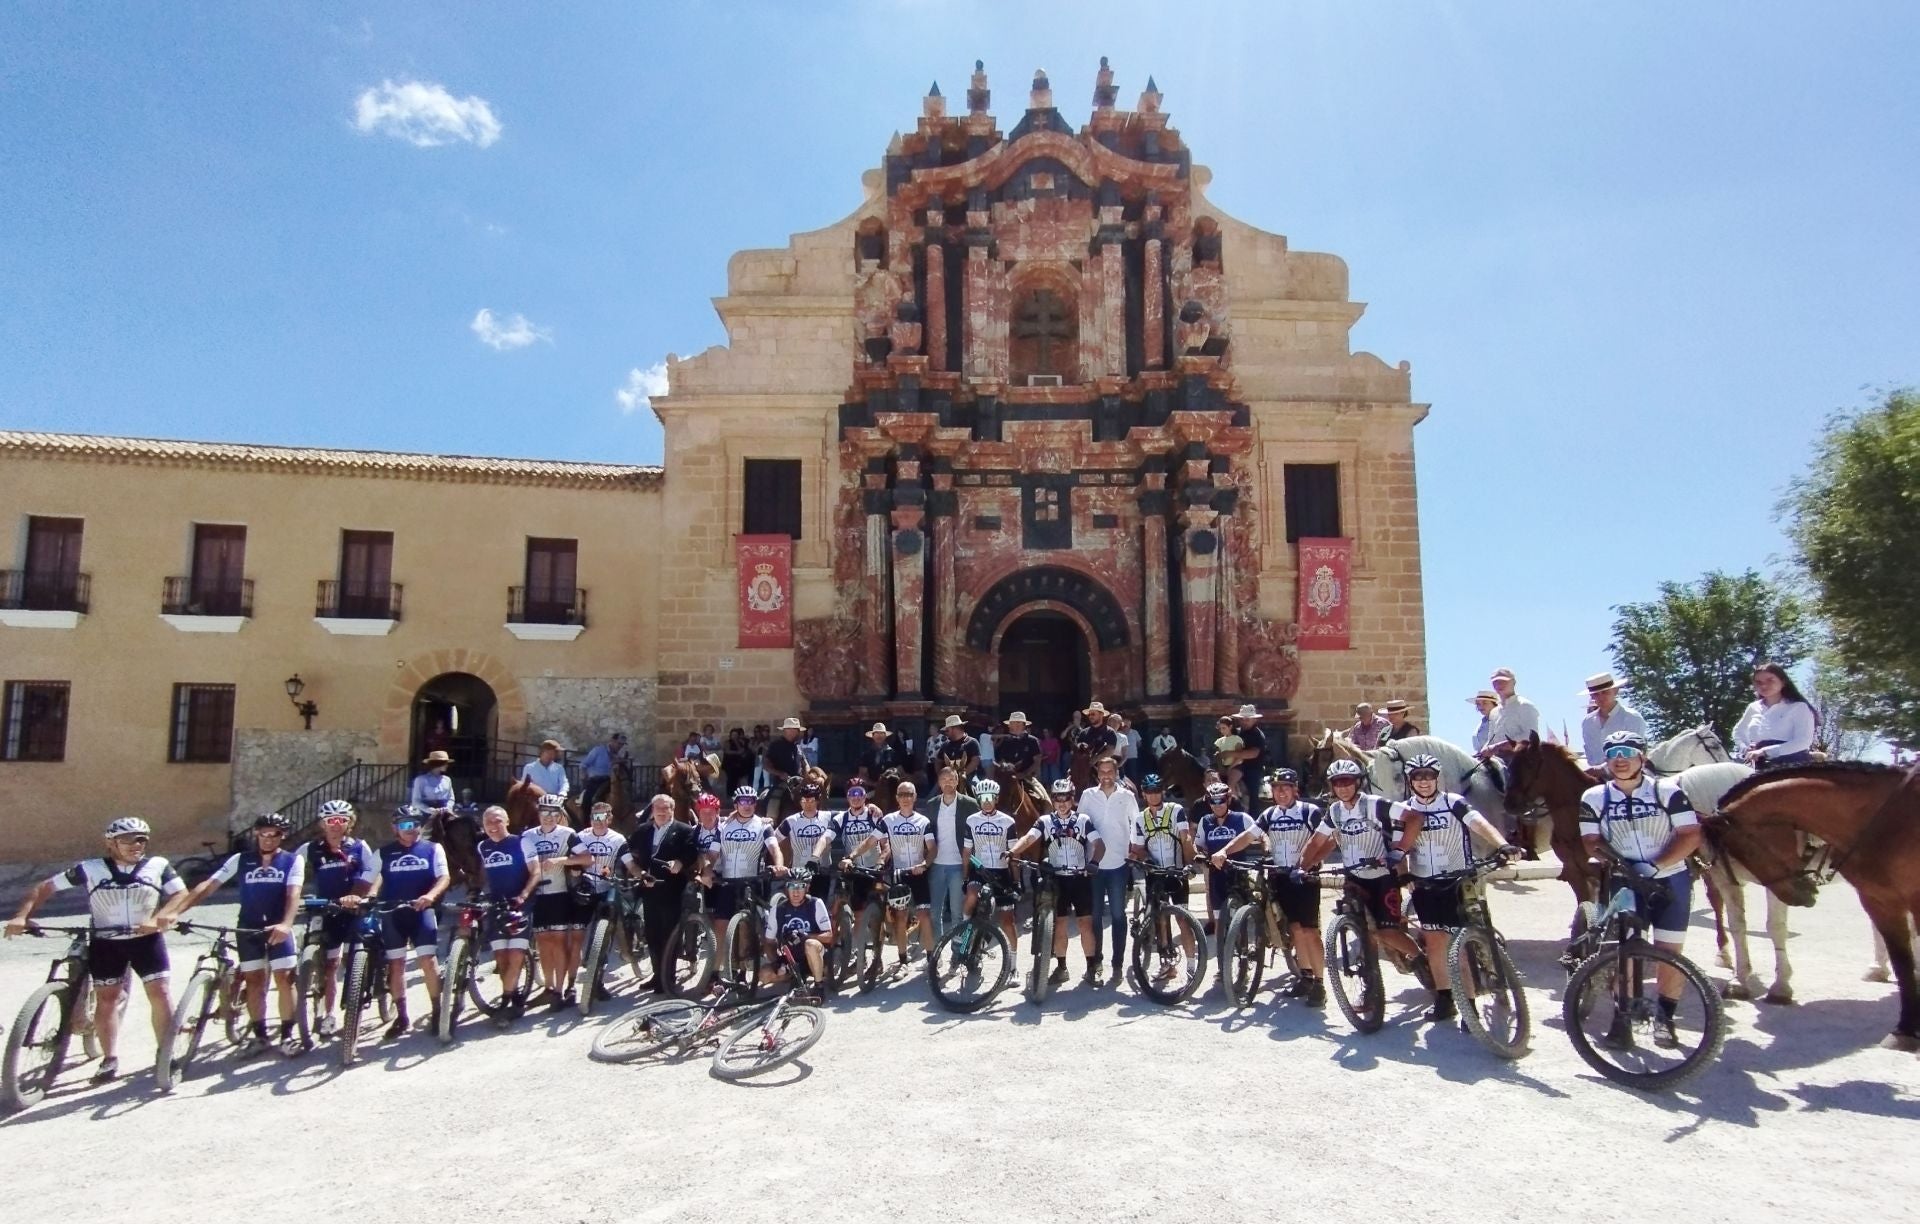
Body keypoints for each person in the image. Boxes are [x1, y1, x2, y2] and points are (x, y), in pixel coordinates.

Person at [6, 816, 186, 1084]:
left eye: (141, 839)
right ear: (111, 843)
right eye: (128, 840)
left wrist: (162, 916)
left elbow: (180, 894)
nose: (136, 845)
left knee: (159, 993)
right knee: (107, 998)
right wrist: (22, 916)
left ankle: (166, 1053)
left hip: (146, 941)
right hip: (106, 941)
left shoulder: (158, 865)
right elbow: (44, 888)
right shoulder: (89, 869)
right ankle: (109, 1058)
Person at [1579, 730, 1702, 1047]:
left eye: (1627, 752)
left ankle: (1665, 1019)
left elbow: (1690, 834)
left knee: (1668, 953)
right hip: (1625, 881)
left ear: (1642, 757)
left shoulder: (1668, 791)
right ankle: (1623, 1020)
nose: (1619, 759)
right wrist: (1621, 864)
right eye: (1612, 753)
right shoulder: (1593, 798)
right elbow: (1591, 842)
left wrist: (1656, 865)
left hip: (1670, 877)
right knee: (1625, 952)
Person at [1397, 753, 1522, 1022]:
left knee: (1459, 946)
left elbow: (1479, 823)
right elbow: (1399, 847)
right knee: (1434, 943)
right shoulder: (1405, 810)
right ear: (1410, 781)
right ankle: (1444, 998)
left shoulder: (1453, 803)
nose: (1424, 782)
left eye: (1429, 776)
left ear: (1436, 778)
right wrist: (1403, 875)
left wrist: (1502, 844)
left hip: (1455, 879)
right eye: (1418, 777)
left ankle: (1470, 1005)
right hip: (1425, 883)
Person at [175, 813, 306, 1054]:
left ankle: (287, 1035)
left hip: (277, 926)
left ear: (282, 836)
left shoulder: (292, 861)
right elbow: (209, 885)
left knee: (285, 979)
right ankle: (260, 1036)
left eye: (273, 834)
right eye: (263, 834)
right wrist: (177, 911)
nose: (267, 839)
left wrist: (286, 924)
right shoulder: (241, 859)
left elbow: (293, 893)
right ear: (256, 834)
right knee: (254, 980)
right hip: (248, 926)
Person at [1300, 759, 1423, 969]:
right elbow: (1316, 841)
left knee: (1387, 932)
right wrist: (1301, 868)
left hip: (1382, 877)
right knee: (1361, 929)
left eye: (1347, 781)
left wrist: (1399, 851)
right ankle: (1370, 984)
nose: (1343, 787)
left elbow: (1414, 817)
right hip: (1354, 878)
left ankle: (1422, 960)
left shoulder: (1374, 804)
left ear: (1358, 782)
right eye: (1337, 783)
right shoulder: (1335, 811)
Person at [1011, 779, 1104, 986]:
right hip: (1056, 880)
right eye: (1057, 799)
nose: (1062, 803)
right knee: (1059, 925)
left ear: (1073, 799)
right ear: (1052, 800)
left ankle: (1092, 968)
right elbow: (1028, 838)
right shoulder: (1045, 821)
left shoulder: (1083, 820)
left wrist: (1094, 863)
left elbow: (1099, 844)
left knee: (1084, 924)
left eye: (1066, 798)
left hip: (1080, 878)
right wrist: (1012, 851)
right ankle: (1061, 968)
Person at [300, 798, 378, 1039]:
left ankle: (358, 996)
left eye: (340, 820)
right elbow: (291, 873)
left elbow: (373, 872)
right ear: (323, 824)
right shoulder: (310, 849)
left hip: (353, 906)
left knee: (356, 955)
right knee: (330, 964)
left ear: (349, 823)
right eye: (330, 821)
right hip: (326, 908)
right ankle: (329, 1013)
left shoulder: (359, 846)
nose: (335, 825)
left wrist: (366, 895)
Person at [374, 806, 451, 1038]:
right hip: (392, 912)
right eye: (405, 825)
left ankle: (438, 1011)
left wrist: (430, 896)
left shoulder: (433, 848)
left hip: (422, 910)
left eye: (416, 824)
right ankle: (402, 1016)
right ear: (395, 827)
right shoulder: (383, 853)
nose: (411, 829)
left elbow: (444, 877)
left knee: (428, 960)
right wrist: (368, 896)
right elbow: (372, 879)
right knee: (396, 965)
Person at [1255, 770, 1328, 1006]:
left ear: (1295, 789)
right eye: (1276, 787)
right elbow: (1250, 835)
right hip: (1280, 877)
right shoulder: (1269, 814)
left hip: (1304, 878)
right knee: (1295, 929)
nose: (1281, 791)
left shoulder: (1310, 812)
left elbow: (1326, 840)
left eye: (1286, 787)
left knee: (1310, 931)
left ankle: (1319, 983)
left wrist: (1309, 863)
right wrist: (1224, 852)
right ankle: (1305, 976)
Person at [624, 793, 701, 995]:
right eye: (657, 807)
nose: (660, 811)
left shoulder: (684, 830)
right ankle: (658, 974)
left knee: (670, 935)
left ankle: (668, 977)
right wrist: (638, 873)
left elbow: (692, 852)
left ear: (672, 809)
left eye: (665, 807)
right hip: (649, 890)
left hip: (673, 889)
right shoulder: (642, 831)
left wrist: (681, 863)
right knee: (652, 934)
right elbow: (632, 854)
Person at [1077, 754, 1140, 986]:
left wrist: (1135, 849)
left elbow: (1137, 823)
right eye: (1101, 772)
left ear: (1116, 773)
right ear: (1097, 773)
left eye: (1109, 772)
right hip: (1093, 865)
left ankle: (1117, 963)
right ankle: (1096, 962)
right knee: (1093, 917)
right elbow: (1080, 824)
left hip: (1118, 864)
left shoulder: (1127, 796)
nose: (1105, 776)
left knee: (1118, 916)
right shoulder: (1087, 796)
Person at [1130, 774, 1199, 982]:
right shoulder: (1140, 818)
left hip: (1176, 872)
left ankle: (1192, 964)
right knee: (1160, 920)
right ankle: (1167, 964)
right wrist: (1141, 857)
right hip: (1155, 874)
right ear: (1144, 794)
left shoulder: (1175, 811)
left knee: (1183, 920)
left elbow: (1185, 838)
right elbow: (1138, 848)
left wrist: (1189, 864)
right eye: (1149, 792)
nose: (1153, 795)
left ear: (1162, 792)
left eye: (1156, 791)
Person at [706, 786, 784, 965]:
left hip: (752, 882)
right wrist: (707, 869)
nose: (747, 805)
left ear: (755, 804)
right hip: (727, 882)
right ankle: (715, 973)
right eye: (743, 801)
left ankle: (742, 970)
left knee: (745, 928)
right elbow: (712, 854)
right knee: (720, 926)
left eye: (751, 801)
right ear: (736, 804)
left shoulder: (764, 826)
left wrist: (779, 865)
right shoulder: (723, 826)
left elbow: (775, 849)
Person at [522, 794, 585, 1008]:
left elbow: (587, 858)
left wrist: (561, 860)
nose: (549, 817)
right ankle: (548, 988)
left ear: (559, 815)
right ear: (538, 813)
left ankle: (560, 989)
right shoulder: (528, 836)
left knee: (558, 942)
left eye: (553, 813)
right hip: (538, 895)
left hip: (559, 893)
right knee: (542, 943)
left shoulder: (568, 834)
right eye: (544, 812)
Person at [863, 781, 935, 971]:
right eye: (901, 794)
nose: (905, 798)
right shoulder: (888, 820)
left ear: (914, 797)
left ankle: (931, 959)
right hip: (899, 874)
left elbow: (933, 849)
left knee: (924, 915)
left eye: (909, 794)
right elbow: (871, 841)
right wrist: (852, 856)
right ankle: (903, 962)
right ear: (896, 798)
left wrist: (925, 864)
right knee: (900, 917)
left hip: (918, 873)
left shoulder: (923, 821)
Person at [475, 805, 537, 1022]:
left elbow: (536, 871)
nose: (493, 826)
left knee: (515, 954)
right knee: (501, 957)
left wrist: (524, 894)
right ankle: (514, 994)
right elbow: (484, 876)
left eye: (498, 820)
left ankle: (505, 1001)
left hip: (520, 903)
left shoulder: (522, 841)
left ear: (507, 820)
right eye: (488, 822)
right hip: (495, 905)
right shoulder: (482, 847)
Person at [1194, 781, 1266, 938]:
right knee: (1218, 916)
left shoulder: (1242, 818)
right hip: (1216, 872)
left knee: (1243, 913)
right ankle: (1222, 949)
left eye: (1221, 800)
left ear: (1228, 800)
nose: (1217, 805)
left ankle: (1247, 944)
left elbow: (1261, 836)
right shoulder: (1205, 821)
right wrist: (1201, 855)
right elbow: (1198, 845)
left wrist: (1267, 852)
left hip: (1238, 871)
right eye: (1213, 801)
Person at [574, 802, 629, 990]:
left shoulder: (618, 839)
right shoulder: (580, 837)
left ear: (610, 818)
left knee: (605, 932)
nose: (597, 821)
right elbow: (573, 860)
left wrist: (627, 873)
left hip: (608, 887)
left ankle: (597, 978)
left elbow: (625, 863)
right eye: (594, 817)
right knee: (576, 931)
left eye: (602, 817)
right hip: (586, 887)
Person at [921, 765, 980, 939]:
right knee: (934, 912)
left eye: (951, 779)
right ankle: (936, 952)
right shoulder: (931, 805)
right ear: (938, 782)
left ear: (957, 781)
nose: (947, 783)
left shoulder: (969, 804)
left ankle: (956, 953)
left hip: (958, 865)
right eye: (944, 779)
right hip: (937, 864)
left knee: (956, 912)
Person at [959, 779, 1020, 946]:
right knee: (971, 896)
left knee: (1008, 921)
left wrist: (1016, 881)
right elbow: (966, 852)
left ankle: (1013, 963)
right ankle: (965, 930)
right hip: (980, 870)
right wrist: (965, 878)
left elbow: (1014, 854)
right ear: (978, 799)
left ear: (996, 798)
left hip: (1001, 872)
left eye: (990, 797)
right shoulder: (971, 820)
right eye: (983, 798)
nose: (986, 802)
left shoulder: (1008, 821)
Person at [1732, 662, 1819, 769]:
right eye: (1758, 682)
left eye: (1770, 680)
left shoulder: (1799, 707)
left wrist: (1765, 751)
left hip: (1792, 765)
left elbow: (1803, 741)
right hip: (1757, 764)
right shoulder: (1753, 707)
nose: (1763, 685)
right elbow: (1738, 731)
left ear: (1783, 682)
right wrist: (1745, 749)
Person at [764, 874, 832, 996]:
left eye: (800, 886)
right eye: (791, 886)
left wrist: (806, 936)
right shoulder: (778, 909)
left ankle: (818, 985)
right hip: (792, 959)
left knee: (810, 944)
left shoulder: (815, 904)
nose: (795, 892)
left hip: (815, 954)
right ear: (786, 888)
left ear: (807, 887)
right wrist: (777, 962)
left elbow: (829, 936)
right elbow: (769, 941)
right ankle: (796, 978)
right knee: (764, 975)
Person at [1580, 673, 1650, 777]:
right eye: (1596, 694)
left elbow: (1633, 753)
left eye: (1605, 692)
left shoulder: (1632, 718)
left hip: (1628, 777)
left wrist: (1600, 770)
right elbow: (1589, 753)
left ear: (1615, 691)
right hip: (1594, 778)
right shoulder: (1587, 722)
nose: (1601, 697)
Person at [777, 783, 833, 903]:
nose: (807, 804)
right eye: (804, 800)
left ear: (817, 801)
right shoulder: (791, 821)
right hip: (799, 874)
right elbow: (772, 840)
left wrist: (871, 807)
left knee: (820, 905)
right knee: (797, 906)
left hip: (822, 871)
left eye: (811, 800)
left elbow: (851, 815)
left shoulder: (828, 817)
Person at [1479, 668, 1540, 758]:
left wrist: (1499, 746)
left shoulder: (1525, 706)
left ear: (1514, 682)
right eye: (1495, 682)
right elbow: (1491, 738)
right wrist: (1482, 752)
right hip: (1497, 759)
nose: (1499, 684)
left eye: (1504, 681)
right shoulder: (1494, 712)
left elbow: (1530, 736)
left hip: (1521, 760)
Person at [1223, 704, 1269, 809]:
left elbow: (1253, 753)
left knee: (1253, 795)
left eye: (1247, 719)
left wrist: (1230, 753)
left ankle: (1253, 815)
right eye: (1242, 719)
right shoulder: (1237, 732)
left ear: (1254, 720)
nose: (1244, 721)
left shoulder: (1257, 735)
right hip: (1236, 765)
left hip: (1252, 769)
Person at [996, 712, 1044, 804]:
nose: (1016, 725)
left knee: (1046, 801)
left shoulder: (1032, 740)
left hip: (1028, 778)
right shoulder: (1006, 740)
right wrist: (1006, 770)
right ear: (1009, 725)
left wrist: (1024, 774)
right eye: (1013, 722)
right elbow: (1001, 759)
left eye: (1018, 722)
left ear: (1024, 725)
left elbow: (1037, 761)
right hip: (1007, 778)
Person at [578, 731, 628, 814]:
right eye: (619, 743)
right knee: (589, 800)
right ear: (612, 741)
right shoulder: (598, 750)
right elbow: (584, 764)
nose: (620, 746)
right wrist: (583, 775)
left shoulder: (617, 756)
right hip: (596, 781)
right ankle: (586, 822)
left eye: (622, 745)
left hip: (610, 781)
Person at [934, 714, 981, 781]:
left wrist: (962, 775)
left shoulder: (972, 742)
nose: (946, 733)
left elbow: (975, 761)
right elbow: (938, 761)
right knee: (933, 792)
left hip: (969, 777)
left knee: (976, 789)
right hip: (948, 779)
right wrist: (941, 775)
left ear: (955, 729)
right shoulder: (946, 745)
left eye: (947, 730)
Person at [765, 717, 807, 789]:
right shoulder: (776, 745)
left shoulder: (798, 747)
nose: (793, 732)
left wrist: (808, 775)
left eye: (796, 730)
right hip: (780, 786)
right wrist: (780, 773)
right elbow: (766, 765)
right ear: (785, 730)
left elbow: (805, 764)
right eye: (790, 729)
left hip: (798, 787)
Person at [1074, 702, 1120, 767]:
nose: (1090, 716)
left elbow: (1110, 751)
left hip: (1104, 768)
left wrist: (1095, 759)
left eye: (1093, 714)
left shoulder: (1110, 732)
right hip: (1084, 766)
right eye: (1089, 714)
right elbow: (1078, 750)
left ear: (1101, 714)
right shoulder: (1083, 733)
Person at [721, 728, 754, 795]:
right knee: (730, 780)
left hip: (738, 764)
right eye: (733, 734)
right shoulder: (727, 742)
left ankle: (737, 794)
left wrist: (737, 743)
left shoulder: (740, 742)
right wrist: (737, 752)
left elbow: (742, 751)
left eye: (736, 735)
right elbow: (727, 751)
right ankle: (729, 794)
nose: (734, 736)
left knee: (737, 780)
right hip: (729, 764)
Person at [749, 724, 773, 791]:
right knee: (756, 777)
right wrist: (759, 745)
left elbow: (771, 750)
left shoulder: (770, 741)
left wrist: (764, 746)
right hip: (758, 759)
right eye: (763, 731)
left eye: (766, 731)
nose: (765, 732)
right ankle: (754, 792)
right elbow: (753, 750)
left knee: (766, 777)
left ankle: (766, 792)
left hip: (766, 760)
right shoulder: (757, 741)